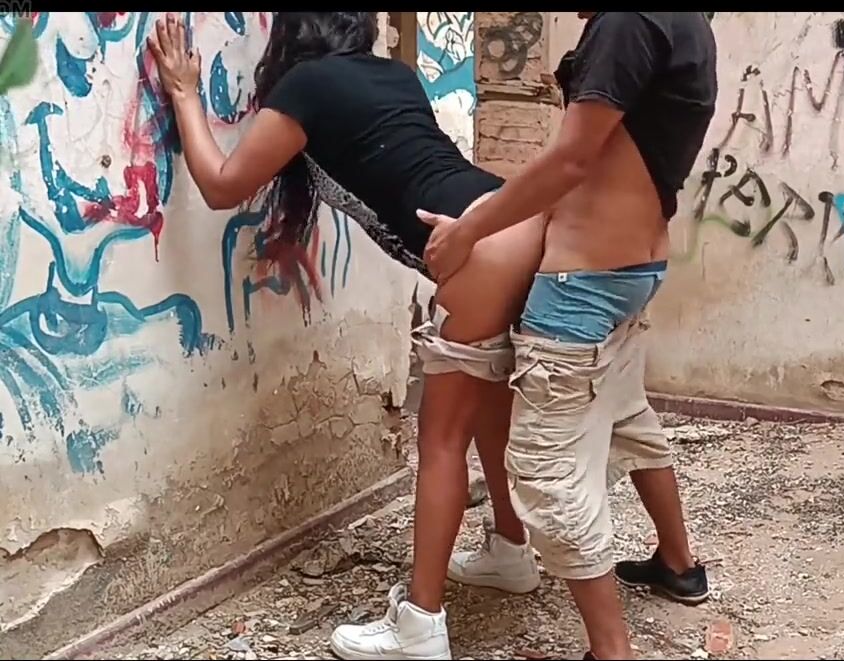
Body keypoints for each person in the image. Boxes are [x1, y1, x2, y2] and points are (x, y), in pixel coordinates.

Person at [147, 12, 546, 660]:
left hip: (477, 248)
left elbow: (221, 185)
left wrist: (185, 94)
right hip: (514, 222)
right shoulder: (395, 75)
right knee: (487, 407)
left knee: (440, 439)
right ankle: (510, 549)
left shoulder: (307, 88)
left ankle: (420, 624)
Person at [420, 12, 718, 660]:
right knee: (626, 415)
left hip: (583, 285)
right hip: (633, 268)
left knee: (546, 470)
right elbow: (605, 157)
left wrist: (469, 232)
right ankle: (677, 563)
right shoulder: (684, 22)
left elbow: (572, 159)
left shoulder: (626, 23)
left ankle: (610, 649)